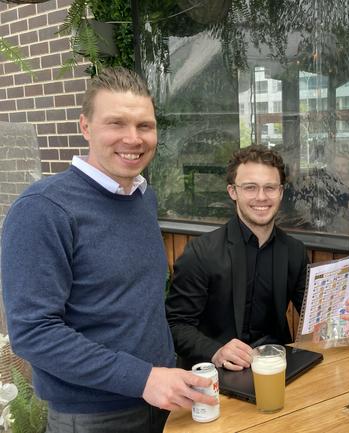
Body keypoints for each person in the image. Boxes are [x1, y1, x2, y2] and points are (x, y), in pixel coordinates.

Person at [1, 67, 216, 433]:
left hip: (163, 399)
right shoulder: (43, 209)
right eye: (116, 123)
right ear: (86, 127)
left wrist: (159, 375)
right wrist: (143, 378)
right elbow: (34, 333)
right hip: (94, 416)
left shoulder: (143, 197)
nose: (133, 139)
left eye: (145, 126)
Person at [166, 146, 349, 371]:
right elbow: (176, 324)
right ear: (233, 192)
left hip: (276, 370)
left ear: (281, 192)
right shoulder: (200, 252)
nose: (261, 197)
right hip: (217, 377)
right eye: (250, 187)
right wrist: (216, 351)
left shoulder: (294, 251)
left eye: (270, 188)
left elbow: (319, 321)